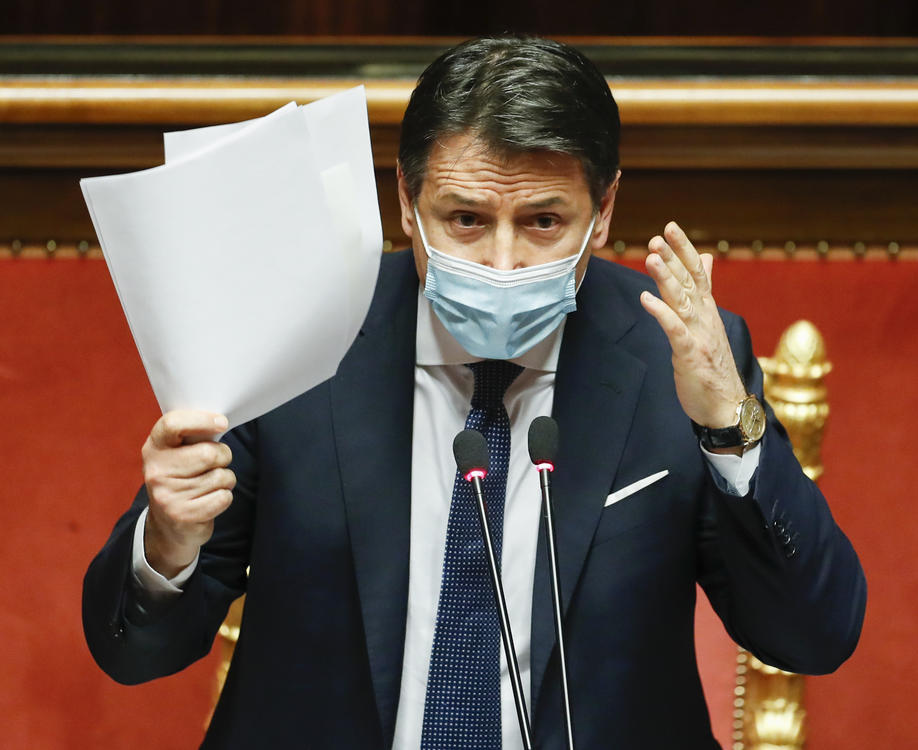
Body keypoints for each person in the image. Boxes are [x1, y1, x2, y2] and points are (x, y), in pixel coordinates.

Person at [83, 36, 866, 750]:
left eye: (543, 221)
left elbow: (814, 636)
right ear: (405, 203)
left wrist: (731, 427)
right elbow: (132, 652)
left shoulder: (679, 359)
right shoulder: (297, 337)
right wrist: (168, 544)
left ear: (604, 214)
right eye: (463, 218)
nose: (502, 262)